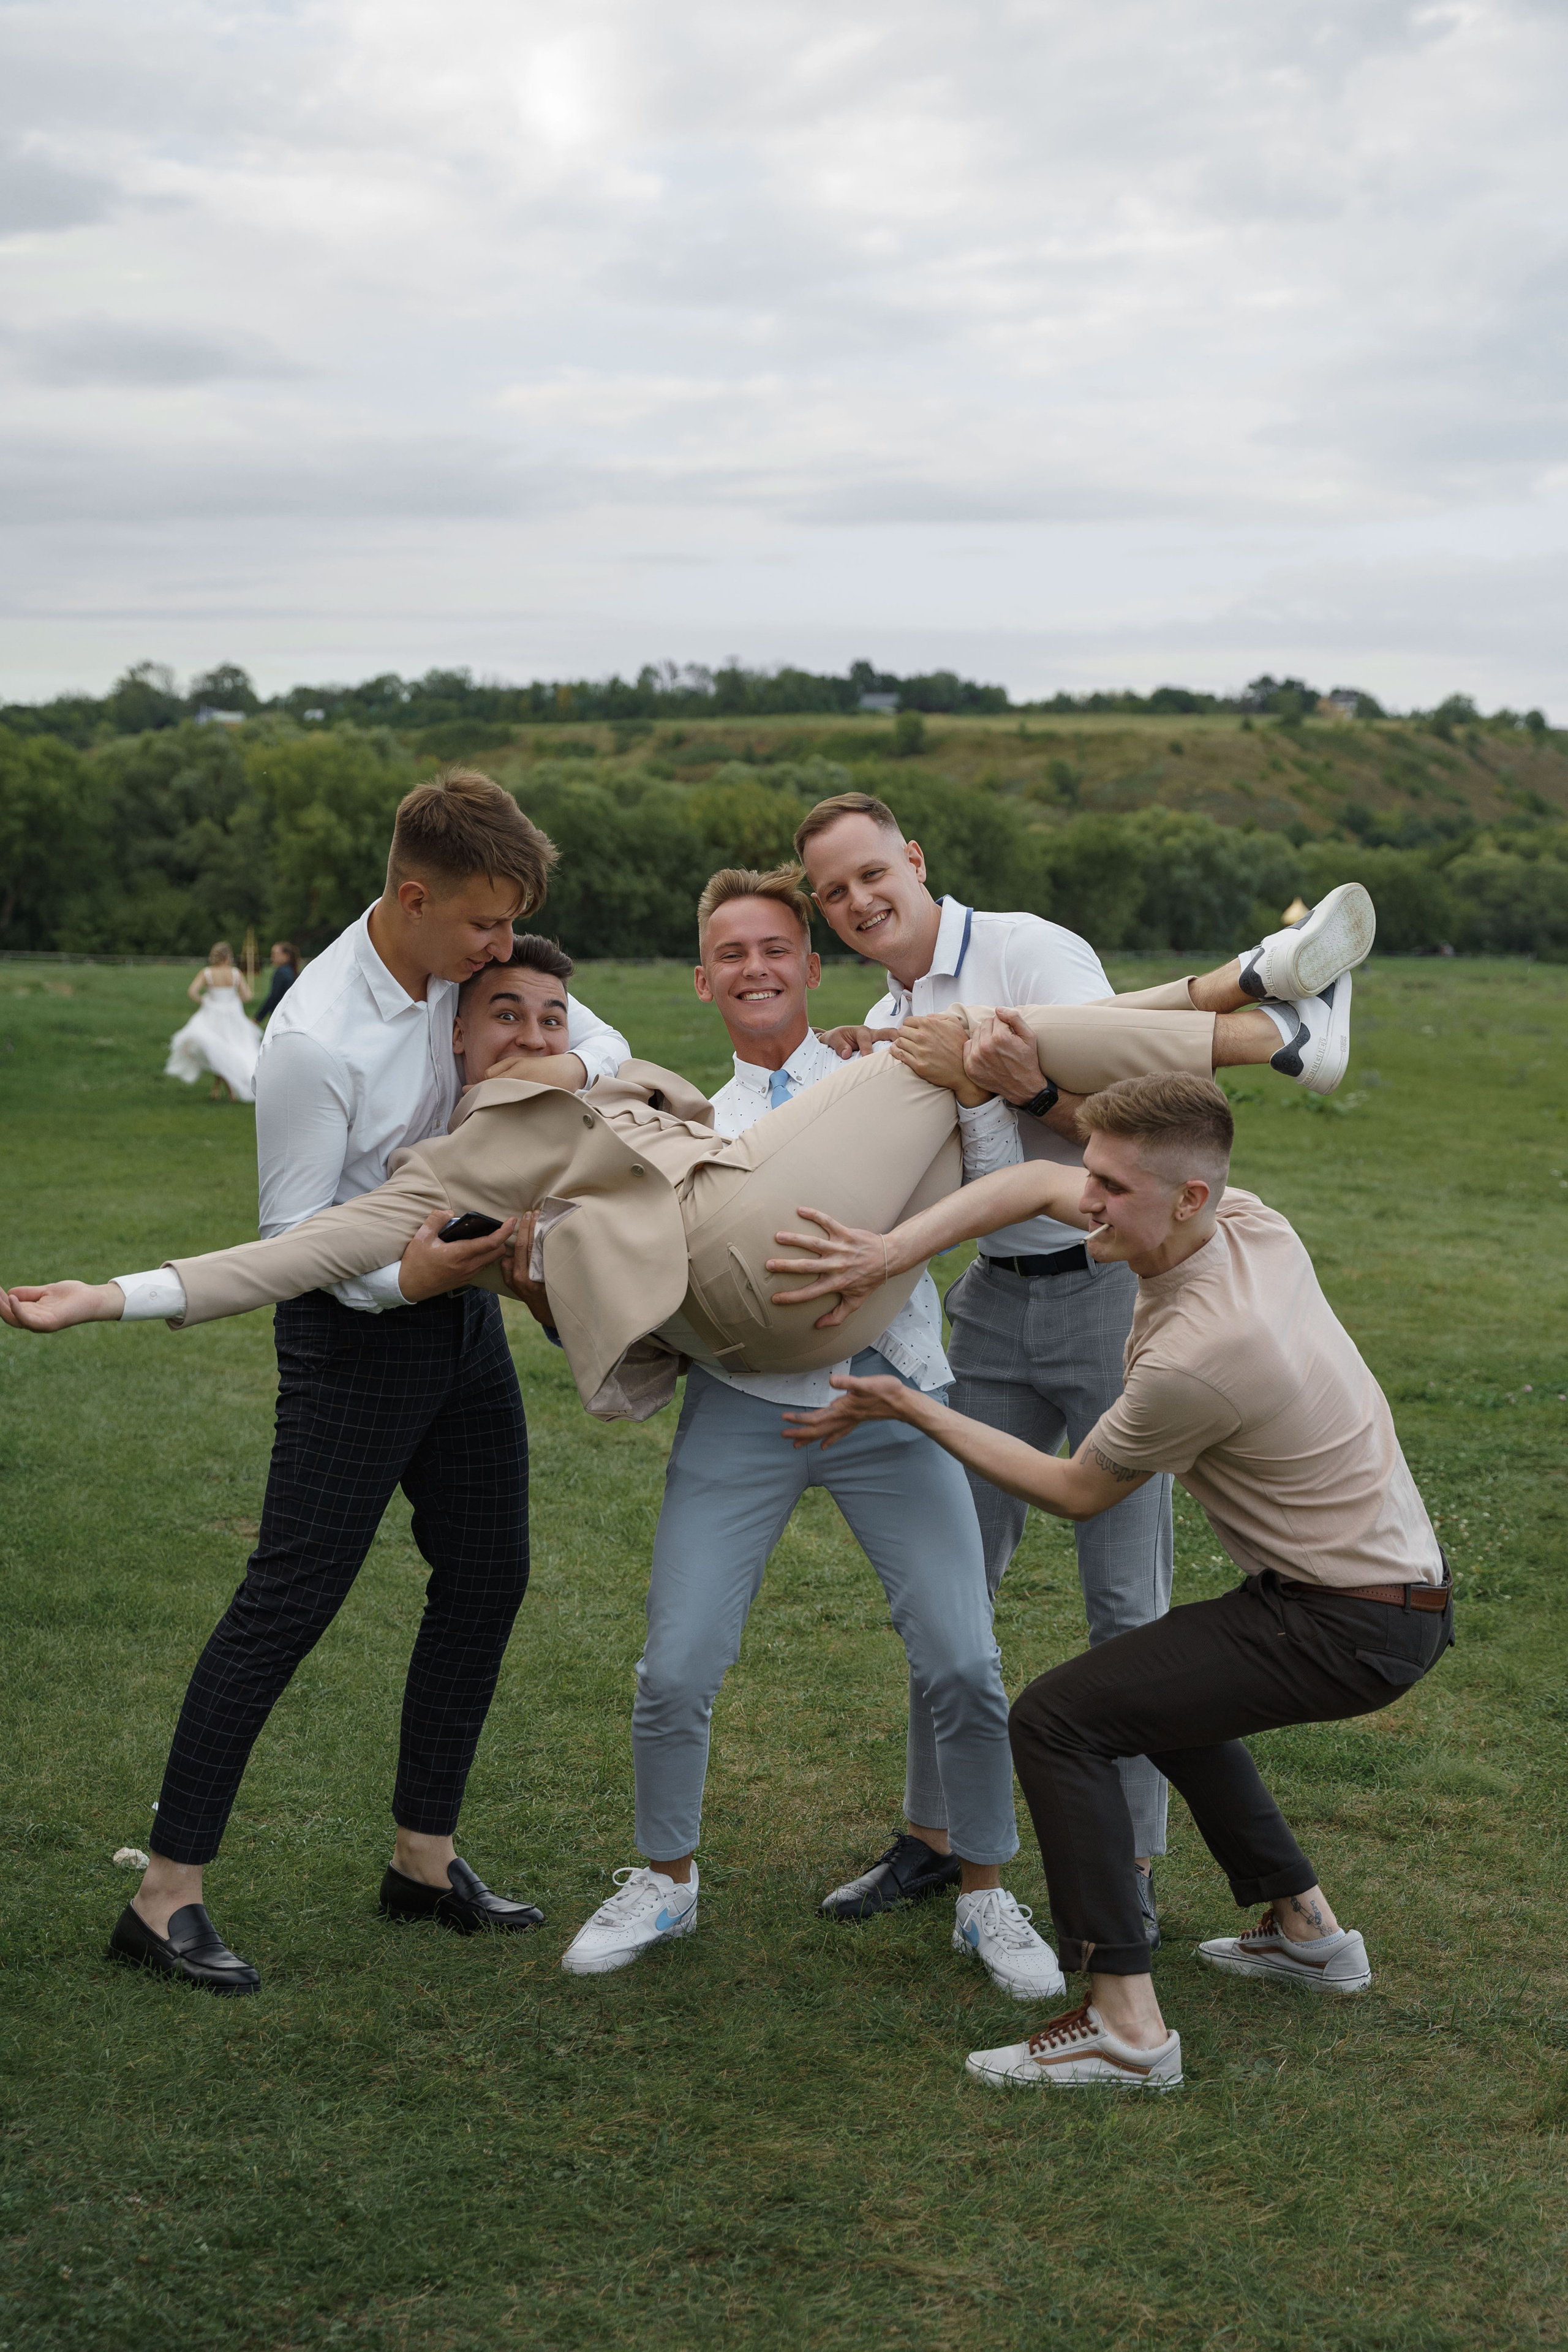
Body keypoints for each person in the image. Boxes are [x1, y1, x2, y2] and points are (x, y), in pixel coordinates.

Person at [12, 769, 630, 1998]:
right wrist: (404, 1274)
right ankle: (164, 1895)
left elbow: (589, 1037)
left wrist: (557, 1071)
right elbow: (298, 1245)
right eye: (483, 927)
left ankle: (421, 1862)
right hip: (355, 1334)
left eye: (510, 927)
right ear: (411, 898)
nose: (502, 951)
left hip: (458, 1325)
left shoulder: (472, 967)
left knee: (489, 1573)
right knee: (285, 1604)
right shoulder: (310, 1042)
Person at [763, 1068, 1450, 2094]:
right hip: (1371, 1594)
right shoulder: (1250, 1224)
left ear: (1189, 1200)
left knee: (1061, 1719)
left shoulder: (1204, 1352)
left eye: (1114, 1188)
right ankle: (1306, 1929)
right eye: (1091, 1171)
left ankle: (1124, 2023)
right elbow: (1032, 1194)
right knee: (1156, 1696)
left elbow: (1080, 1489)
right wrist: (897, 1249)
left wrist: (915, 1410)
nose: (1086, 1200)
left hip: (1347, 1621)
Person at [796, 793, 1373, 1946]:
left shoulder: (1027, 947)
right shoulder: (886, 1008)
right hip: (992, 1305)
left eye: (872, 874)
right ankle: (938, 1837)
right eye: (833, 893)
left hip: (1112, 1295)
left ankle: (1136, 1867)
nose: (859, 902)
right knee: (950, 1592)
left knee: (1129, 1610)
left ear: (913, 859)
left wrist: (1016, 1085)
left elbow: (1143, 1124)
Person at [2, 943, 1349, 1415]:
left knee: (955, 1068)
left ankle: (1247, 1002)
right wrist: (113, 1296)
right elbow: (292, 1252)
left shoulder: (620, 1081)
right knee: (934, 1050)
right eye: (504, 1018)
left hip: (794, 1303)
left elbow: (721, 1118)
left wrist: (613, 1073)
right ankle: (1261, 1024)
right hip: (736, 1259)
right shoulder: (477, 1146)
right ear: (452, 1041)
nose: (536, 1036)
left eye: (549, 1015)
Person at [557, 867, 1064, 1999]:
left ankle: (985, 1895)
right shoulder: (690, 1122)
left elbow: (993, 1183)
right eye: (731, 953)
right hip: (744, 1415)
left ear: (811, 965)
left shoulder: (891, 1073)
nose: (755, 969)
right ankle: (666, 1880)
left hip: (893, 1403)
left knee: (966, 1661)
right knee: (676, 1664)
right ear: (703, 980)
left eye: (776, 948)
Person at [164, 941, 263, 1102]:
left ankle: (223, 1089)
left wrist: (206, 1001)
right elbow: (247, 996)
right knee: (228, 1049)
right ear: (229, 956)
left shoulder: (207, 973)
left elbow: (192, 992)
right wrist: (233, 1001)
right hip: (233, 1016)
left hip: (212, 1016)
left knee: (215, 1048)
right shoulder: (236, 973)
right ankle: (224, 1088)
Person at [257, 941, 301, 1023]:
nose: (272, 957)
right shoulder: (293, 971)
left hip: (280, 1014)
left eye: (275, 954)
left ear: (286, 956)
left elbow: (274, 996)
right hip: (291, 1013)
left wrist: (259, 1017)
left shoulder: (281, 972)